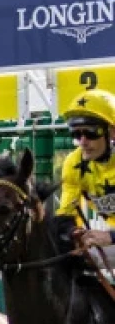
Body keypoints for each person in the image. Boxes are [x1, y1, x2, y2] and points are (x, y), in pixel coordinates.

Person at [57, 89, 115, 260]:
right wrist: (74, 232)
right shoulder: (73, 163)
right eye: (76, 133)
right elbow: (66, 215)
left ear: (112, 131)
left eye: (91, 132)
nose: (82, 142)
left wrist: (111, 237)